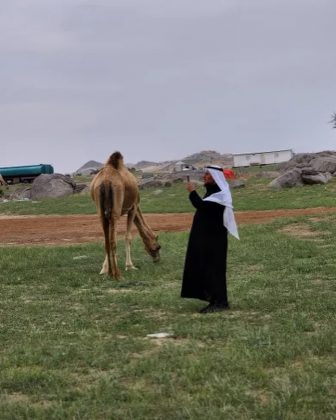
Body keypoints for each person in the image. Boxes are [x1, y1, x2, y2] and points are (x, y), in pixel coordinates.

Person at [181, 166, 239, 313]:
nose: (204, 176)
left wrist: (192, 192)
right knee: (208, 269)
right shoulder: (213, 192)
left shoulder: (220, 195)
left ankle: (220, 302)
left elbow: (202, 206)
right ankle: (214, 300)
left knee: (215, 270)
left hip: (215, 241)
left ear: (215, 177)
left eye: (207, 174)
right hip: (208, 239)